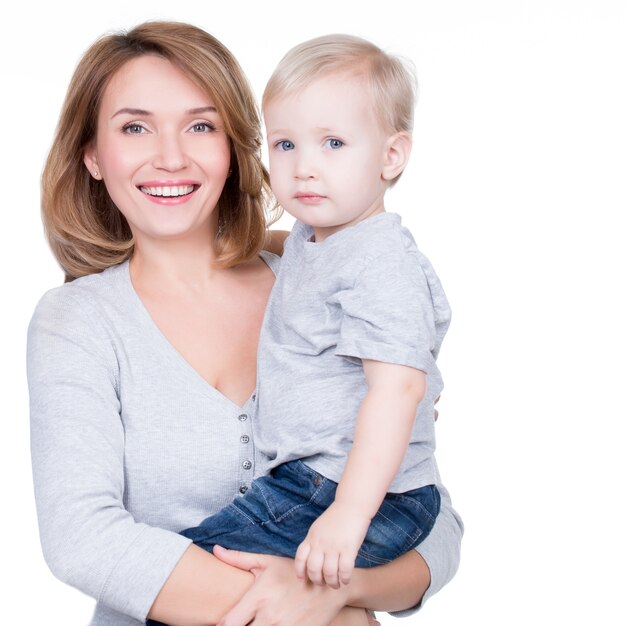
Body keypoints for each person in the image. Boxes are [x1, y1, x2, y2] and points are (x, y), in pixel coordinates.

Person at [27, 21, 463, 626]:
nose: (171, 155)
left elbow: (434, 526)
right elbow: (83, 539)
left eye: (201, 126)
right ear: (93, 156)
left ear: (233, 147)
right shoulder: (77, 322)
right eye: (134, 127)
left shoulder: (321, 286)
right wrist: (327, 612)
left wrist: (339, 590)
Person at [169, 32, 451, 596]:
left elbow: (397, 393)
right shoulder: (316, 236)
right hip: (309, 484)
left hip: (354, 494)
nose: (304, 168)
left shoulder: (381, 263)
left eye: (334, 143)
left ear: (391, 156)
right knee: (188, 579)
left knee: (182, 579)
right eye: (286, 145)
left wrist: (348, 513)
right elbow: (284, 249)